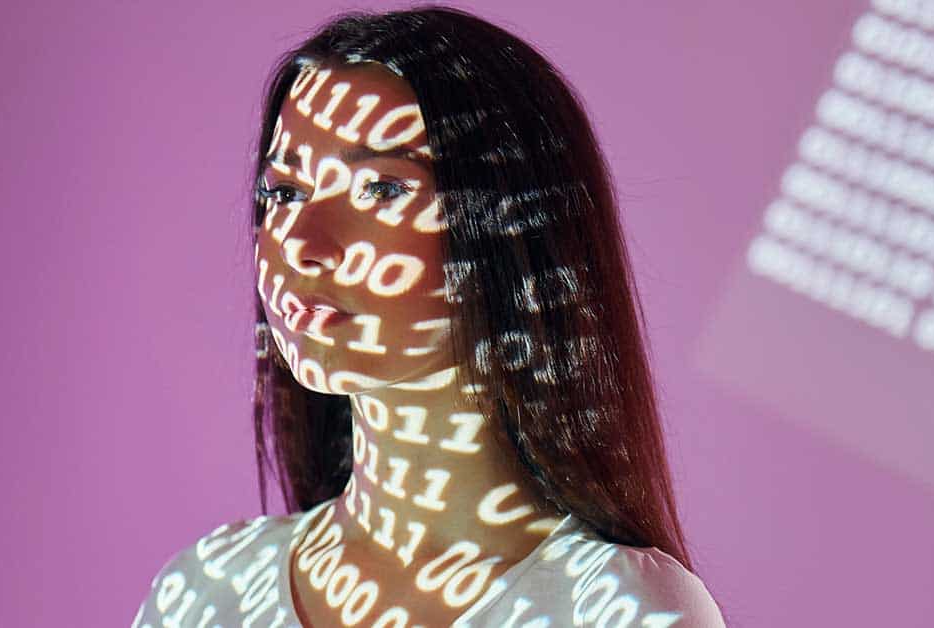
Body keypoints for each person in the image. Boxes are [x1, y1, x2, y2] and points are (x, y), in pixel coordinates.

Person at [131, 5, 727, 627]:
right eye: (283, 193)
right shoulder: (206, 590)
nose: (303, 242)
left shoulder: (612, 611)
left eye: (382, 189)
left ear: (506, 228)